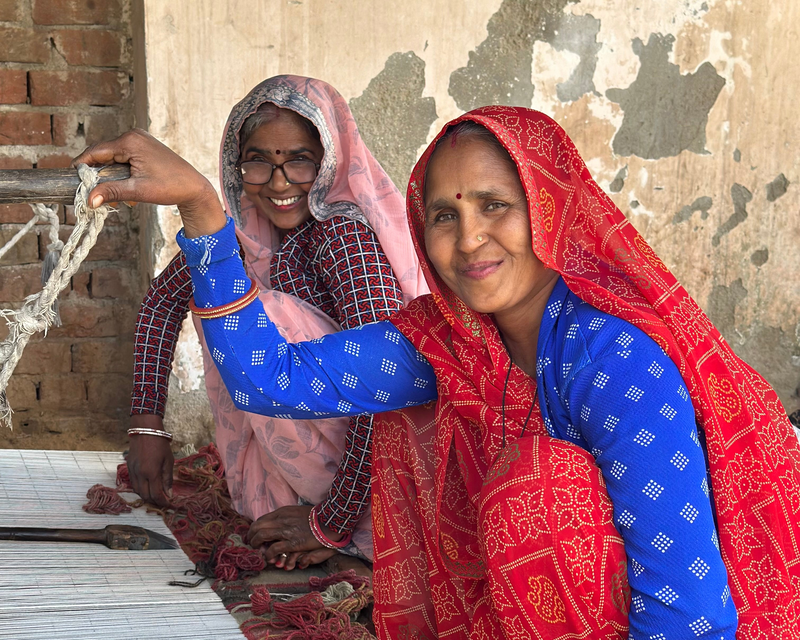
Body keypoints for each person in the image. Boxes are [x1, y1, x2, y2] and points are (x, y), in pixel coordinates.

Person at [74, 107, 800, 639]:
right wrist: (203, 210)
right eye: (443, 216)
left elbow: (689, 610)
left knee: (537, 494)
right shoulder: (447, 340)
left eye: (495, 207)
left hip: (696, 621)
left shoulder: (611, 360)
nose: (470, 238)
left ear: (548, 211)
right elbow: (273, 381)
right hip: (534, 614)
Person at [119, 75, 427, 570]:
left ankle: (344, 527)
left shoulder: (342, 239)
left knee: (257, 318)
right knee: (218, 294)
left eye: (300, 159)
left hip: (384, 470)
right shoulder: (244, 235)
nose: (280, 183)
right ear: (237, 167)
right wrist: (146, 428)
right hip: (321, 451)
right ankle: (281, 504)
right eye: (259, 161)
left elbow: (385, 395)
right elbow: (160, 303)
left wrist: (332, 520)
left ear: (330, 158)